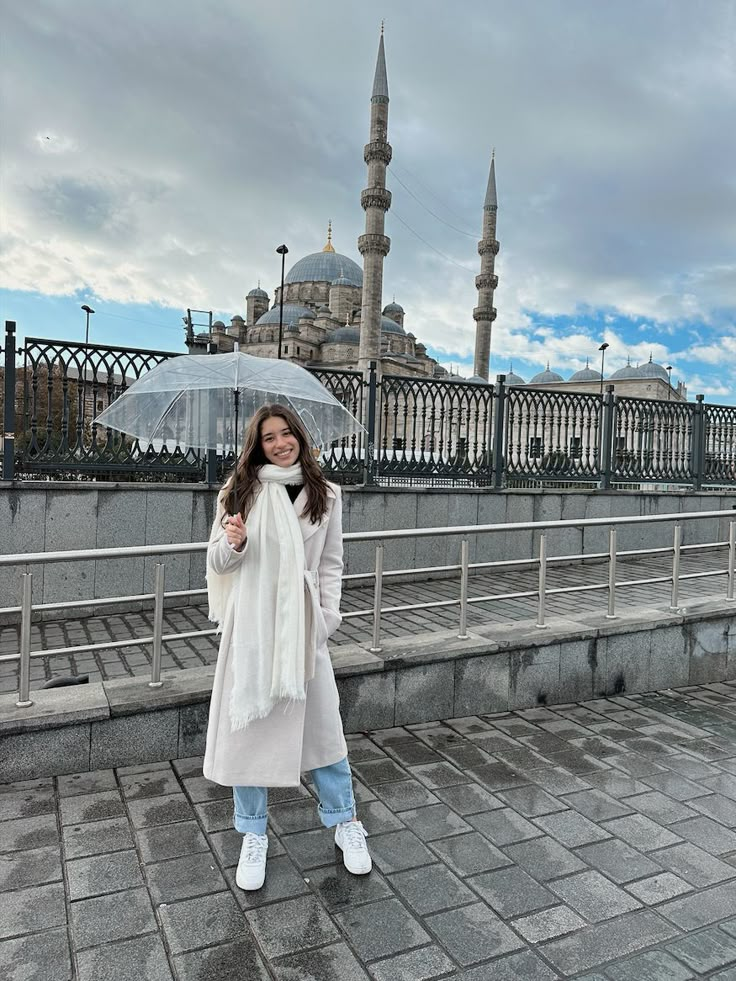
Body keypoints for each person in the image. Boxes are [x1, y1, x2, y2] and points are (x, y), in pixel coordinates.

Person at [203, 403, 371, 890]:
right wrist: (233, 543)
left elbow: (332, 563)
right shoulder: (239, 492)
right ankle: (253, 835)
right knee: (251, 732)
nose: (280, 443)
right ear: (257, 445)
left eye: (286, 434)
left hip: (302, 626)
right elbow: (216, 562)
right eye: (269, 437)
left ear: (299, 436)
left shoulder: (326, 494)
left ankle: (345, 822)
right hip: (252, 627)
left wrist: (326, 620)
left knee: (324, 731)